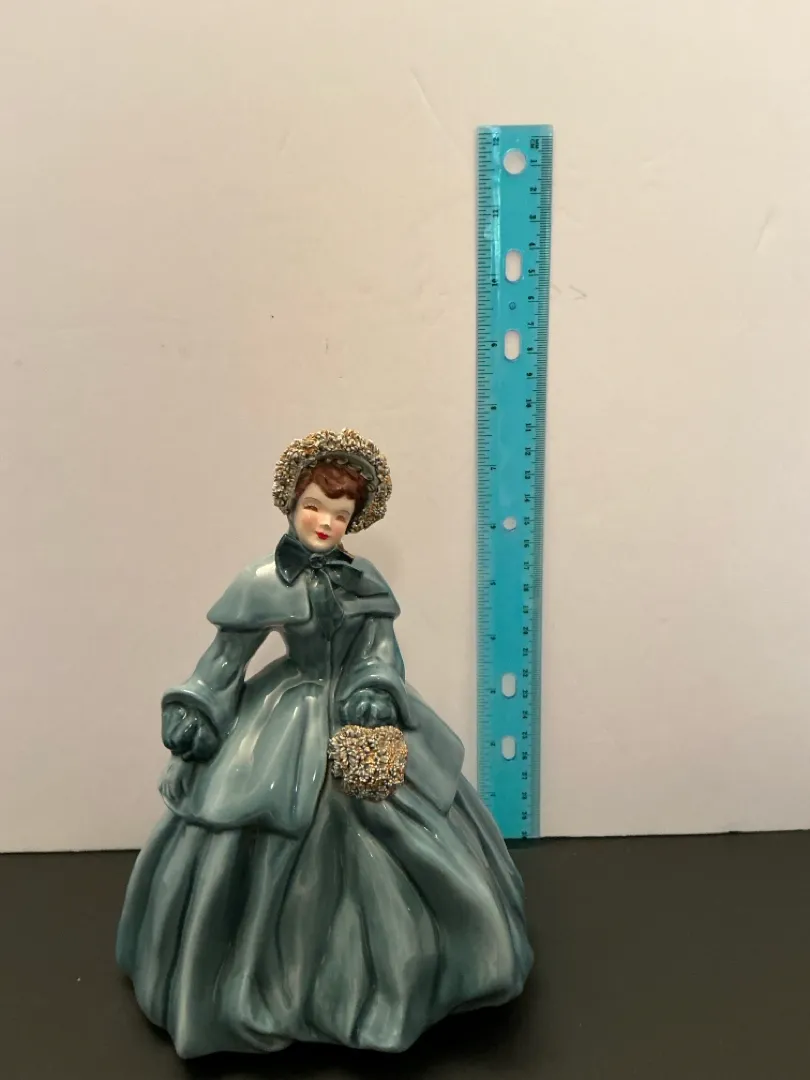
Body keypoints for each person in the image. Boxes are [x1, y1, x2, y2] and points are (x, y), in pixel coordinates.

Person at [117, 427, 533, 1058]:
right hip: (288, 713)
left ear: (353, 521)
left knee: (396, 817)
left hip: (358, 713)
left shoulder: (364, 580)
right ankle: (251, 984)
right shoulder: (263, 580)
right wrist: (197, 710)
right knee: (260, 825)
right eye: (314, 506)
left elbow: (380, 652)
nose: (324, 522)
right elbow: (224, 660)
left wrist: (374, 692)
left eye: (340, 514)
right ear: (291, 502)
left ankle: (414, 970)